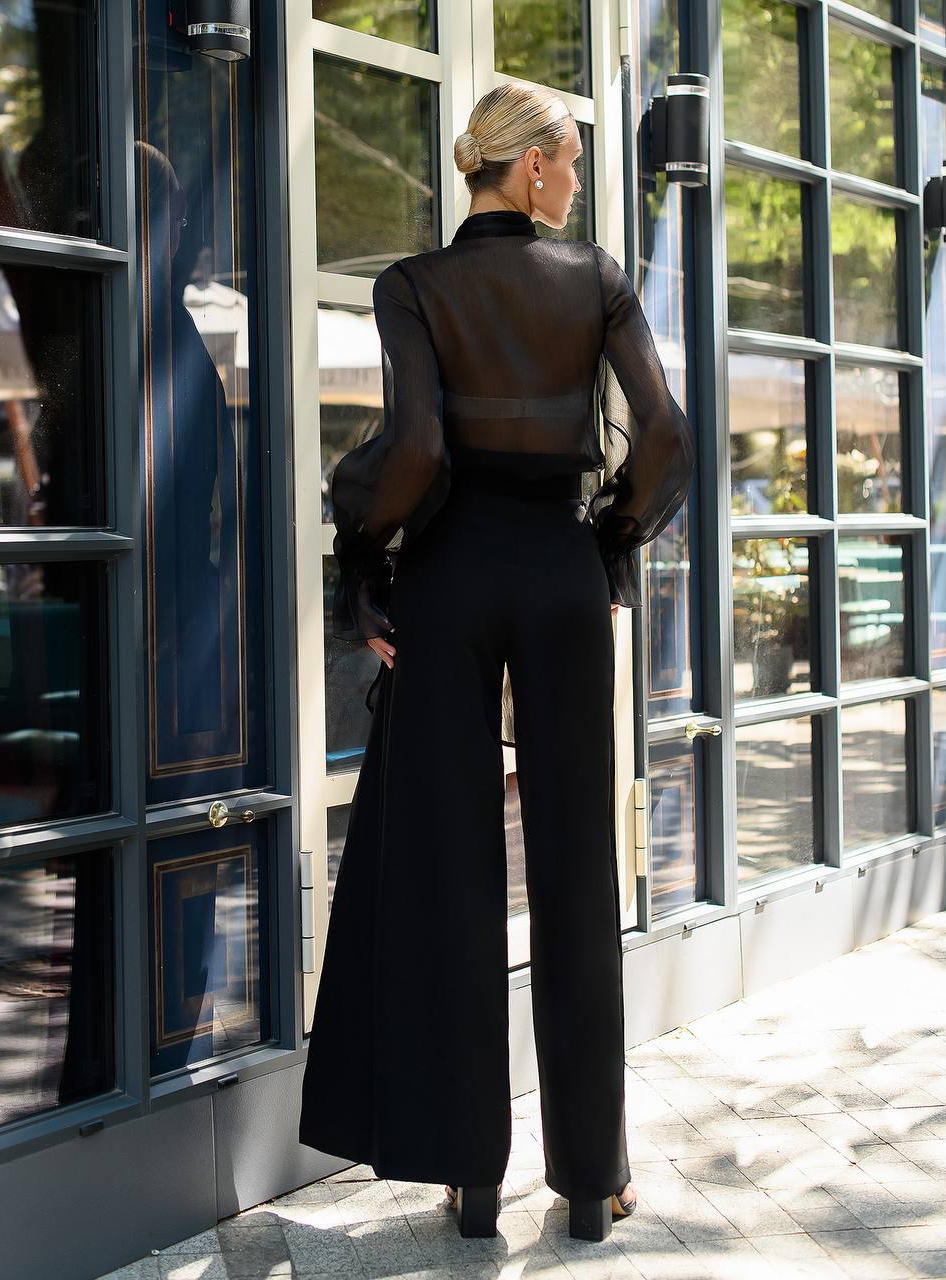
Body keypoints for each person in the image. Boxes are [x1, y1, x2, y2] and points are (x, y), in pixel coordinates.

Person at [298, 82, 696, 1244]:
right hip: (561, 578)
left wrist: (360, 557)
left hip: (450, 576)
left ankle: (469, 1175)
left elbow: (414, 445)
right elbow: (662, 432)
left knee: (450, 876)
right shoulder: (597, 276)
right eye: (568, 166)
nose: (574, 185)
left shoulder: (412, 284)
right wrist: (611, 538)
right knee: (577, 875)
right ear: (533, 170)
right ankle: (589, 1181)